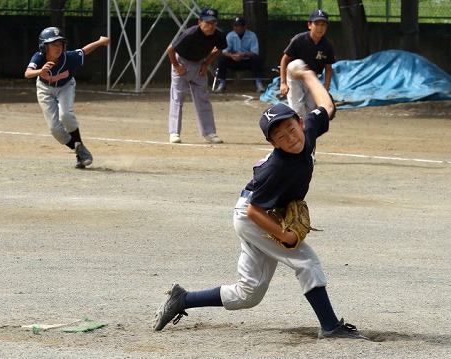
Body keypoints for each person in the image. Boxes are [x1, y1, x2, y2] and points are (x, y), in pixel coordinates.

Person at [152, 66, 367, 340]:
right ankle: (330, 326)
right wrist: (284, 235)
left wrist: (307, 75)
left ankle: (182, 300)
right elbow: (254, 210)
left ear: (300, 122)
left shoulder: (308, 130)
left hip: (263, 213)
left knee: (248, 294)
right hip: (254, 215)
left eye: (291, 129)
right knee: (306, 261)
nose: (290, 138)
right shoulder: (276, 168)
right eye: (281, 137)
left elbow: (326, 105)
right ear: (273, 143)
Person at [25, 27, 110, 169]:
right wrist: (41, 71)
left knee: (66, 115)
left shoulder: (69, 58)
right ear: (43, 46)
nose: (58, 48)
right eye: (53, 44)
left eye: (60, 44)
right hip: (45, 89)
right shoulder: (39, 57)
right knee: (55, 130)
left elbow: (84, 50)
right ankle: (79, 151)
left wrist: (100, 42)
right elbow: (27, 73)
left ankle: (80, 150)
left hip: (66, 87)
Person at [166, 7, 227, 144]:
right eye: (207, 23)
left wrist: (206, 64)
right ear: (200, 22)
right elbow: (170, 49)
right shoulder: (191, 33)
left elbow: (219, 48)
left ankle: (209, 133)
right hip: (182, 62)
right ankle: (174, 132)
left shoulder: (218, 34)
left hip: (199, 64)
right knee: (177, 98)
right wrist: (176, 66)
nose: (210, 26)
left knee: (203, 99)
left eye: (213, 23)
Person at [279, 9, 336, 118]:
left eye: (323, 25)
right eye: (316, 24)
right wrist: (283, 82)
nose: (320, 28)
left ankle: (305, 134)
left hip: (312, 78)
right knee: (298, 110)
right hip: (295, 75)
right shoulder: (299, 39)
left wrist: (325, 89)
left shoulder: (327, 45)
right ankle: (298, 131)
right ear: (309, 25)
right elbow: (284, 59)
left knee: (310, 111)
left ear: (326, 27)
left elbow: (328, 68)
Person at [214, 15, 265, 94]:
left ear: (244, 26)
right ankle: (222, 83)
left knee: (257, 59)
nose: (236, 28)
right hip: (234, 60)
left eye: (239, 26)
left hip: (247, 61)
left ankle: (259, 83)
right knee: (222, 59)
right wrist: (232, 56)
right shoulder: (230, 36)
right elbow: (225, 51)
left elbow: (255, 51)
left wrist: (243, 55)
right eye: (235, 26)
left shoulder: (252, 35)